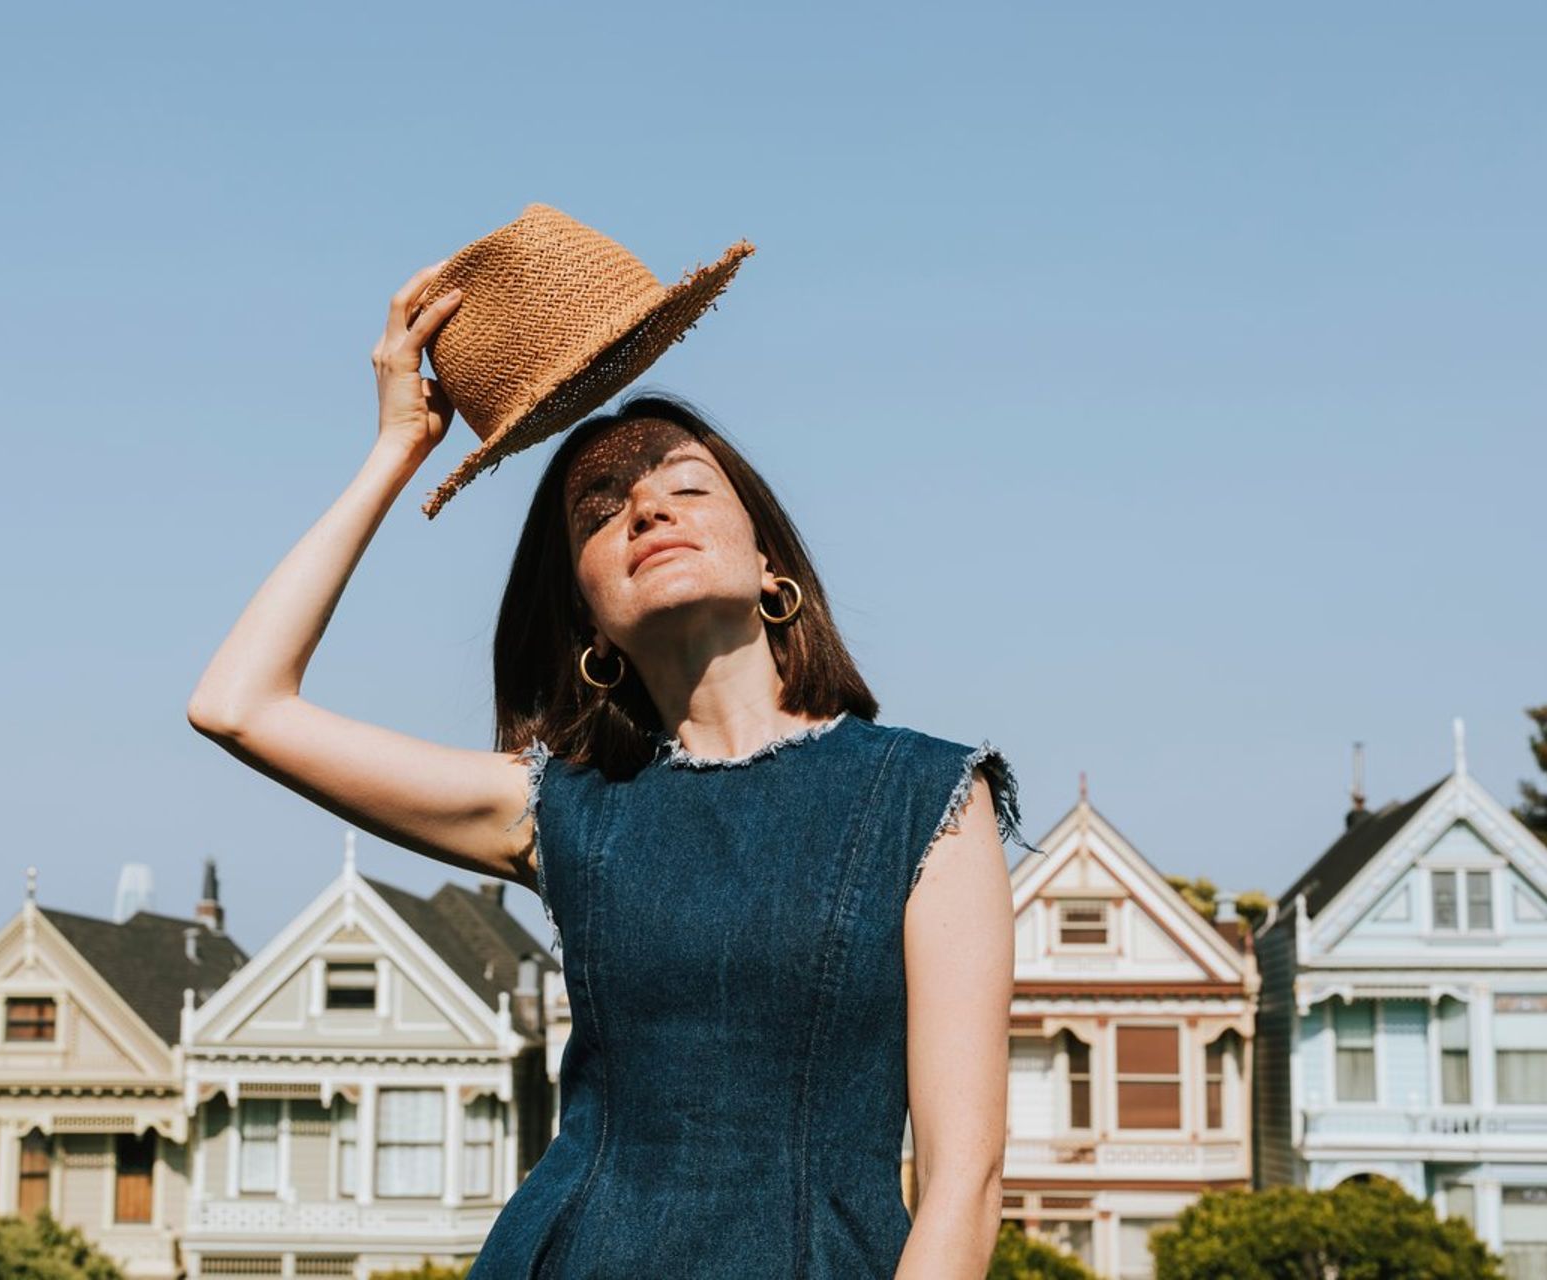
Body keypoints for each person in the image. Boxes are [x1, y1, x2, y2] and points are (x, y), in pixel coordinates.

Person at [187, 260, 1028, 1278]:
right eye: (600, 510)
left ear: (772, 566)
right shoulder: (559, 807)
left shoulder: (927, 797)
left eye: (684, 485)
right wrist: (398, 448)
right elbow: (238, 703)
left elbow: (961, 1178)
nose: (645, 509)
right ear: (585, 612)